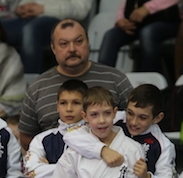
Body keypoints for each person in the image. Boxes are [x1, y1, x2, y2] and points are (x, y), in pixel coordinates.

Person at [18, 19, 133, 150]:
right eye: (64, 44)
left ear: (88, 42)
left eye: (78, 42)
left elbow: (136, 122)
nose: (72, 49)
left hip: (111, 157)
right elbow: (26, 137)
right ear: (53, 48)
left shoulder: (115, 79)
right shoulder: (37, 87)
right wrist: (43, 155)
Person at [0, 0, 95, 74]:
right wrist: (22, 7)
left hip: (60, 19)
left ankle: (30, 81)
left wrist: (43, 9)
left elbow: (80, 9)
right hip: (30, 17)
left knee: (30, 30)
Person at [98, 0, 183, 73]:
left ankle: (149, 78)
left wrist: (147, 8)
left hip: (170, 21)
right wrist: (120, 19)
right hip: (140, 23)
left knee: (147, 33)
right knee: (110, 36)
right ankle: (103, 79)